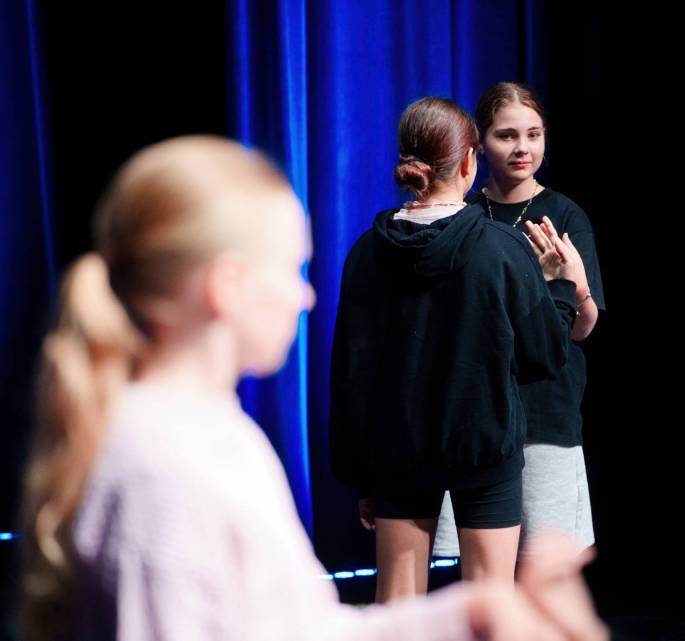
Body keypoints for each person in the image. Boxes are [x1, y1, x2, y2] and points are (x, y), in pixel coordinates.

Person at [19, 135, 606, 641]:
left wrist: (478, 612)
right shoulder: (166, 470)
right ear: (227, 285)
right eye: (293, 270)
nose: (306, 297)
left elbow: (300, 626)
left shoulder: (216, 438)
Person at [329, 98, 584, 601]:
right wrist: (560, 288)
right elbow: (543, 357)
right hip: (485, 453)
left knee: (399, 610)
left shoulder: (367, 252)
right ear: (469, 162)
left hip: (397, 455)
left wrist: (362, 477)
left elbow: (350, 376)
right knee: (490, 609)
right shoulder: (502, 249)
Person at [434, 82, 604, 559]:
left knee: (544, 564)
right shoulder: (465, 215)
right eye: (507, 136)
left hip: (545, 415)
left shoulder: (564, 214)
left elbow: (583, 327)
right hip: (476, 417)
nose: (522, 148)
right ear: (479, 144)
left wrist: (573, 284)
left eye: (533, 134)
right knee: (482, 566)